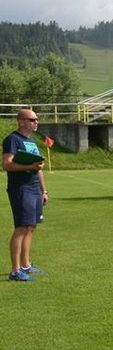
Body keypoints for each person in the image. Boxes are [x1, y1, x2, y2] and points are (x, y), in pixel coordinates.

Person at [3, 109, 48, 282]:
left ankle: (25, 265)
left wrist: (43, 190)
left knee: (31, 226)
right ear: (21, 121)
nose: (36, 122)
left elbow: (39, 168)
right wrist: (29, 167)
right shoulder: (12, 139)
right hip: (21, 188)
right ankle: (15, 271)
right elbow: (7, 164)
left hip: (35, 189)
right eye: (32, 119)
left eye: (36, 119)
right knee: (21, 228)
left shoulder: (32, 141)